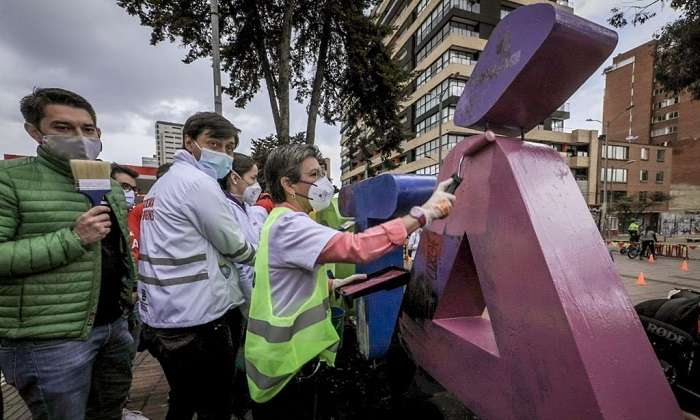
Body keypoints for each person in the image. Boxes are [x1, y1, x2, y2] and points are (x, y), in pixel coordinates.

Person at [245, 144, 455, 419]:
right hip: (288, 368)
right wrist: (423, 213)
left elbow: (282, 283)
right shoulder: (290, 225)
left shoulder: (279, 221)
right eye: (314, 174)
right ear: (288, 184)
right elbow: (357, 247)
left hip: (280, 362)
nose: (323, 181)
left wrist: (333, 285)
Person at [0, 88, 136, 419]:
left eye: (87, 129)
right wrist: (72, 238)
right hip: (50, 339)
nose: (79, 137)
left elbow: (116, 249)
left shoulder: (107, 184)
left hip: (112, 324)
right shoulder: (10, 181)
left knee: (109, 410)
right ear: (35, 131)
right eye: (63, 127)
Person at [138, 112, 256, 420]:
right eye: (214, 143)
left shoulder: (164, 184)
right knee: (214, 403)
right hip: (198, 316)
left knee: (184, 397)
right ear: (190, 143)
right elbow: (234, 245)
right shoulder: (197, 183)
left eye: (230, 148)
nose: (223, 153)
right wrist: (267, 257)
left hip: (168, 312)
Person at [218, 152, 268, 313]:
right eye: (252, 179)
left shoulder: (250, 209)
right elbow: (240, 263)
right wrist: (253, 302)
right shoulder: (224, 210)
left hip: (258, 290)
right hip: (237, 299)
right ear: (234, 178)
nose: (256, 185)